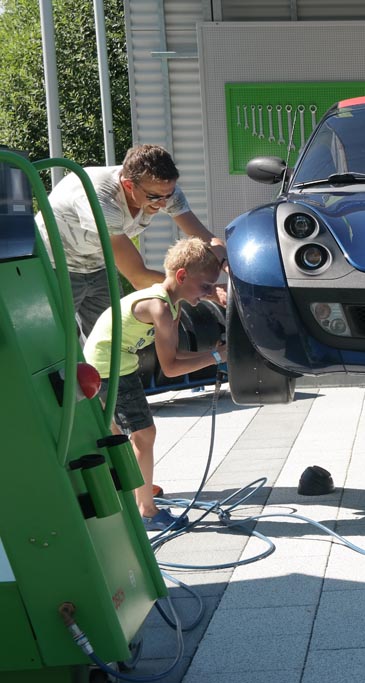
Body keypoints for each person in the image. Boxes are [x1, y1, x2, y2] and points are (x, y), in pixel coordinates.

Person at [84, 238, 226, 532]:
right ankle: (146, 510)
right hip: (108, 369)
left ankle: (136, 489)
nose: (210, 293)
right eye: (206, 286)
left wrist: (212, 354)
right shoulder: (159, 308)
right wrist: (214, 357)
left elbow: (175, 355)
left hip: (111, 365)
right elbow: (171, 368)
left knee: (119, 435)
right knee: (144, 434)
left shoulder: (171, 305)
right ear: (182, 276)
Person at [36, 144, 228, 339]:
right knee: (55, 341)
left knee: (112, 339)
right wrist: (207, 291)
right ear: (128, 185)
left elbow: (207, 239)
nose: (163, 203)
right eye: (154, 197)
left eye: (168, 195)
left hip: (97, 264)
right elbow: (138, 276)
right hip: (54, 266)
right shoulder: (103, 199)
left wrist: (231, 270)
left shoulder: (162, 189)